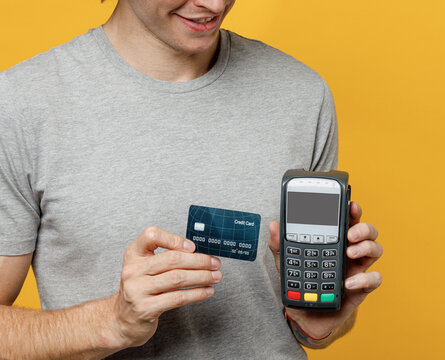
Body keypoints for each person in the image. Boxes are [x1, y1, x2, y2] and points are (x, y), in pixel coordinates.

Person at [0, 0, 383, 358]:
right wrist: (111, 323)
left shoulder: (302, 94)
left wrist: (317, 322)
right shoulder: (22, 105)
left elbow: (308, 322)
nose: (215, 5)